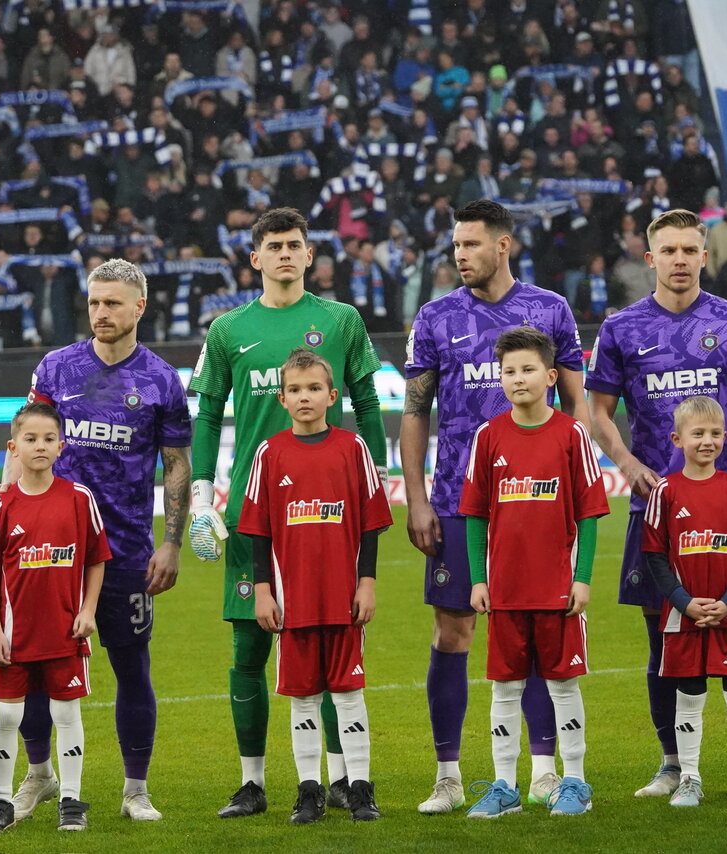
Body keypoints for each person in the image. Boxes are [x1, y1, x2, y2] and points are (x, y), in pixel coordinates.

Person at [187, 207, 387, 818]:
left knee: (329, 645)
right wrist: (201, 491)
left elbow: (369, 402)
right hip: (256, 519)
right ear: (255, 258)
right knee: (249, 649)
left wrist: (374, 480)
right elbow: (207, 413)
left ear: (308, 255)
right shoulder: (227, 331)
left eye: (294, 245)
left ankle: (336, 781)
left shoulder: (341, 320)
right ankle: (252, 782)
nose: (284, 254)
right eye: (272, 245)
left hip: (327, 520)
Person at [402, 199, 588, 813]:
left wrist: (576, 482)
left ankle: (541, 773)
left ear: (504, 245)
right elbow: (414, 413)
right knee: (453, 629)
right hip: (458, 500)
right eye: (456, 244)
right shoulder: (433, 317)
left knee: (535, 631)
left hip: (536, 505)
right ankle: (449, 775)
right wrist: (418, 499)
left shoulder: (550, 310)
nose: (460, 254)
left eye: (472, 244)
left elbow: (576, 407)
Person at [0, 259, 191, 822]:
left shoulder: (161, 380)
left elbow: (176, 466)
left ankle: (135, 789)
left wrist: (170, 541)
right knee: (32, 664)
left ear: (139, 308)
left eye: (112, 303)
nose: (100, 312)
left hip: (126, 549)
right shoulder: (57, 368)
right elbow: (23, 439)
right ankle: (38, 776)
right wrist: (5, 503)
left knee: (132, 666)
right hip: (48, 549)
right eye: (94, 302)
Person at [586, 209, 727, 798]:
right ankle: (673, 762)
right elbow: (596, 411)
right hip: (657, 509)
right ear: (650, 258)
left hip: (726, 508)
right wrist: (627, 463)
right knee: (663, 639)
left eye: (690, 250)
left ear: (703, 255)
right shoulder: (621, 328)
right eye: (668, 250)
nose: (680, 260)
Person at [238, 348, 394, 824]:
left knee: (348, 694)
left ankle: (361, 787)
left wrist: (367, 582)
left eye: (313, 389)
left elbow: (370, 523)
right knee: (303, 695)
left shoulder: (353, 449)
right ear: (282, 398)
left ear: (332, 395)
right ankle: (309, 791)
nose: (304, 397)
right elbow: (259, 530)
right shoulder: (270, 453)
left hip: (343, 595)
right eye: (295, 390)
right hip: (294, 599)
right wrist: (264, 591)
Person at [460, 327, 609, 818]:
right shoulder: (488, 437)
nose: (517, 379)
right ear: (498, 378)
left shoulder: (571, 435)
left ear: (550, 376)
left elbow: (589, 514)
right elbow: (475, 513)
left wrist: (582, 577)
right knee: (505, 688)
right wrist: (479, 580)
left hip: (557, 588)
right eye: (508, 371)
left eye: (527, 370)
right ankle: (505, 787)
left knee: (564, 685)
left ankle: (575, 782)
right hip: (504, 589)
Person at [0, 402, 109, 835]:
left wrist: (88, 611)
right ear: (13, 448)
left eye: (49, 438)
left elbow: (96, 560)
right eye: (30, 439)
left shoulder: (78, 499)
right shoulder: (1, 507)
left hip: (65, 632)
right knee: (6, 717)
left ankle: (71, 799)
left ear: (62, 446)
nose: (40, 446)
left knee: (68, 716)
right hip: (15, 636)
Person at [642, 396, 727, 807]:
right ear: (677, 439)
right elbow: (654, 555)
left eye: (716, 434)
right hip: (684, 614)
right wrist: (684, 601)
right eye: (698, 434)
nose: (707, 441)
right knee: (690, 693)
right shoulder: (665, 492)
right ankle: (689, 778)